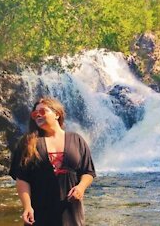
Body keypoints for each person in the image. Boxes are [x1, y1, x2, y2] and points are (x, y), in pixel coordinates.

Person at [9, 97, 96, 226]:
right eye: (35, 113)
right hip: (39, 213)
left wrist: (81, 187)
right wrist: (27, 207)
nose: (38, 115)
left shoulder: (76, 140)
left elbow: (88, 172)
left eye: (43, 111)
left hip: (71, 211)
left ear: (57, 114)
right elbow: (22, 179)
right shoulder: (28, 143)